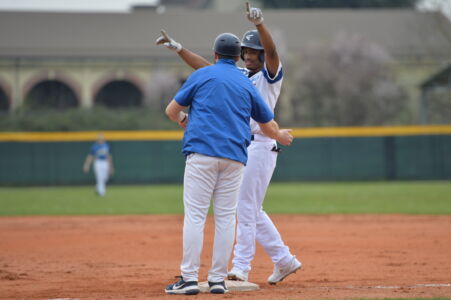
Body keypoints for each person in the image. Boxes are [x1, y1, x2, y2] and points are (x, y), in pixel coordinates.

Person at [156, 2, 302, 285]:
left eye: (253, 51)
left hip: (261, 142)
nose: (248, 55)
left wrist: (260, 24)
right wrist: (179, 50)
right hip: (243, 144)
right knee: (249, 209)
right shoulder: (242, 76)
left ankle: (241, 268)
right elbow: (209, 69)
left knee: (244, 210)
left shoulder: (270, 75)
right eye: (245, 51)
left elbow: (273, 53)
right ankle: (284, 260)